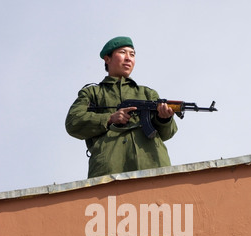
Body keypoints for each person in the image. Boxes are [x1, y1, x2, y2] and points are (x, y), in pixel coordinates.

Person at [65, 36, 178, 178]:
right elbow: (73, 122)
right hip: (109, 168)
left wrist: (164, 119)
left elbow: (168, 133)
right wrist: (109, 118)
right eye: (123, 52)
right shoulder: (92, 93)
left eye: (132, 54)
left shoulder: (147, 93)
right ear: (107, 59)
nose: (128, 58)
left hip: (152, 164)